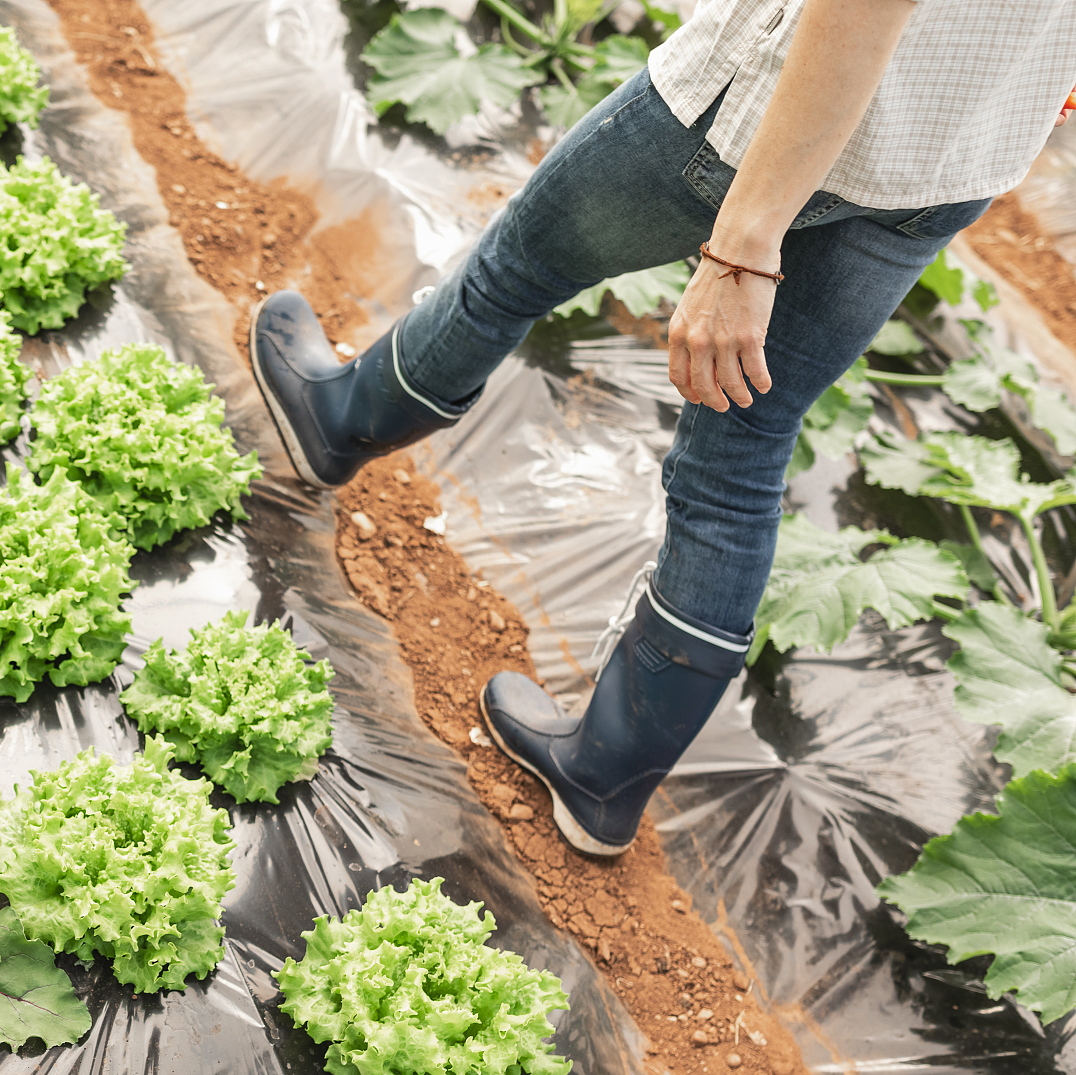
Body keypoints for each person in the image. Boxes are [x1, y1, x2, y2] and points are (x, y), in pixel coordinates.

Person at [250, 0, 1076, 857]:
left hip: (765, 119)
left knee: (521, 263)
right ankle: (606, 771)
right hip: (950, 161)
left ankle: (341, 419)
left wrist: (743, 248)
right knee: (747, 442)